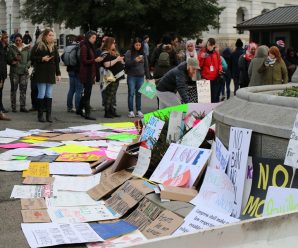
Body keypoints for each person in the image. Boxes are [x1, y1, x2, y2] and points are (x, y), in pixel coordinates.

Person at [30, 28, 61, 122]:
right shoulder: (38, 45)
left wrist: (58, 73)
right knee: (42, 93)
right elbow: (31, 58)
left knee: (49, 94)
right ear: (45, 36)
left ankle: (48, 115)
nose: (52, 37)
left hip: (50, 73)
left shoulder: (54, 46)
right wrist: (41, 59)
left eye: (52, 35)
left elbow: (56, 61)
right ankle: (40, 115)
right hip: (41, 73)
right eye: (50, 35)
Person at [77, 31, 103, 120]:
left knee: (87, 93)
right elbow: (84, 61)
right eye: (93, 38)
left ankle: (79, 109)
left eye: (95, 38)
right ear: (88, 37)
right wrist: (95, 60)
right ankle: (87, 113)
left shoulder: (91, 46)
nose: (95, 40)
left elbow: (91, 61)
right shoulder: (84, 47)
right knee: (87, 93)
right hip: (86, 74)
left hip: (90, 73)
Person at [125, 37, 150, 118]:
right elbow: (127, 64)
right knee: (131, 93)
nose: (138, 46)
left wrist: (148, 76)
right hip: (131, 76)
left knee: (139, 94)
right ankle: (131, 111)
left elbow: (146, 66)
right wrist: (135, 60)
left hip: (140, 76)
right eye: (136, 45)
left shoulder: (143, 53)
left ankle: (138, 110)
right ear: (133, 45)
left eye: (139, 45)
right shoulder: (129, 53)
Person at [101, 37, 125, 118]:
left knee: (113, 94)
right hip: (110, 76)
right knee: (109, 94)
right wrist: (117, 59)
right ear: (109, 44)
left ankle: (112, 111)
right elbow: (106, 64)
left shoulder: (113, 52)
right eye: (113, 43)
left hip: (116, 76)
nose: (114, 44)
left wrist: (120, 60)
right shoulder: (105, 53)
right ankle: (107, 112)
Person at [7, 33, 31, 112]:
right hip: (14, 72)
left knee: (23, 90)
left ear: (22, 40)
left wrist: (27, 66)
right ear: (14, 40)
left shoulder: (27, 48)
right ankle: (13, 107)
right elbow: (8, 59)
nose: (18, 42)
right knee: (14, 89)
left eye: (19, 40)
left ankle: (22, 107)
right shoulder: (11, 48)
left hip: (24, 72)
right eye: (16, 40)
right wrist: (13, 60)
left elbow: (30, 59)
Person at [198, 38, 223, 103]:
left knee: (215, 98)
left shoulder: (216, 53)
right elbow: (199, 65)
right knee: (206, 100)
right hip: (206, 79)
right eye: (208, 45)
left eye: (211, 45)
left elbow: (219, 63)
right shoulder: (203, 52)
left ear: (214, 45)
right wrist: (202, 58)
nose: (209, 47)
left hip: (215, 79)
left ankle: (213, 111)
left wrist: (220, 70)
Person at [64, 36, 84, 113]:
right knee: (79, 90)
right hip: (77, 71)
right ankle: (78, 108)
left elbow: (63, 57)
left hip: (70, 70)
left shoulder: (69, 47)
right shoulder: (79, 47)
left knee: (71, 89)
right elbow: (80, 59)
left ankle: (69, 107)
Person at [0, 32, 10, 120]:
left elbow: (5, 60)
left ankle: (1, 107)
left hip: (3, 72)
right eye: (5, 37)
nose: (7, 39)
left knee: (0, 91)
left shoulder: (5, 47)